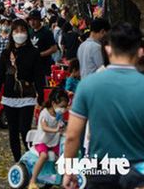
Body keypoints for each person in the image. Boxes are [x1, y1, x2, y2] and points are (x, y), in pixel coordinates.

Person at [63, 23, 144, 189]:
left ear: (107, 50)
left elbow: (72, 135)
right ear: (140, 52)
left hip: (101, 171)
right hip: (139, 172)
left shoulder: (87, 85)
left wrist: (69, 170)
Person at [0, 18, 40, 162]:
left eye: (22, 30)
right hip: (9, 97)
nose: (19, 34)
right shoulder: (6, 54)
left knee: (25, 129)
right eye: (16, 31)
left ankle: (32, 158)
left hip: (27, 96)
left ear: (27, 32)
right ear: (12, 33)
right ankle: (18, 161)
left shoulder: (34, 52)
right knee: (12, 131)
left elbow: (38, 76)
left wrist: (41, 96)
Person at [28, 88, 68, 189]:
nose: (63, 109)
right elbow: (44, 127)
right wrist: (56, 130)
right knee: (44, 156)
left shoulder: (59, 115)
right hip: (42, 141)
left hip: (54, 142)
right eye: (61, 106)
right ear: (54, 103)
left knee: (63, 157)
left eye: (65, 107)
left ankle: (58, 178)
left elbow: (62, 125)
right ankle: (32, 180)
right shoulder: (44, 113)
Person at [27, 10, 57, 95]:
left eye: (34, 20)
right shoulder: (29, 32)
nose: (32, 22)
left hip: (44, 66)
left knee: (43, 89)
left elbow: (54, 48)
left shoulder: (46, 32)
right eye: (30, 20)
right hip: (32, 66)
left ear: (39, 20)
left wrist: (41, 54)